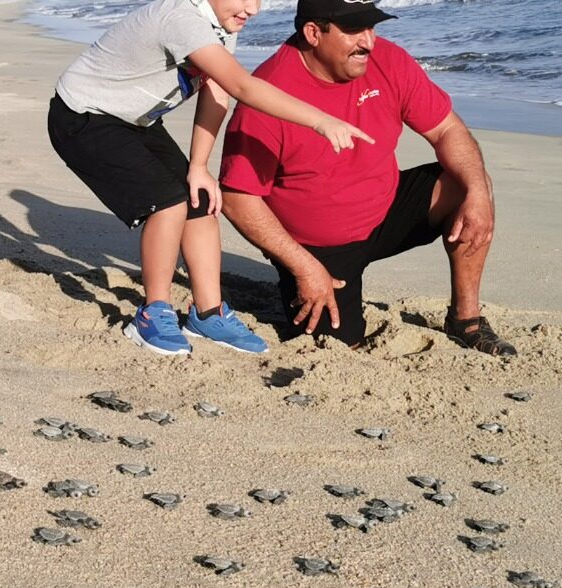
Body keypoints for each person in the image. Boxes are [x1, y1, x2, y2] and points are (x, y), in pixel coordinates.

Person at [48, 0, 372, 356]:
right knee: (169, 204)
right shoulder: (180, 18)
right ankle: (152, 313)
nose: (253, 9)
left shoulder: (221, 25)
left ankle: (208, 314)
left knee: (200, 201)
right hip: (83, 117)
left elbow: (216, 90)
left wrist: (199, 167)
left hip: (136, 121)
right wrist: (320, 120)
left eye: (259, 0)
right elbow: (241, 87)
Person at [218, 0, 516, 356]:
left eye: (371, 27)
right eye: (354, 30)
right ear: (313, 33)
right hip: (318, 249)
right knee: (337, 347)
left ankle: (465, 319)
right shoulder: (268, 93)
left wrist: (479, 193)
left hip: (385, 209)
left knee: (466, 184)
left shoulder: (387, 60)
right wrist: (303, 266)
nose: (368, 42)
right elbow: (238, 197)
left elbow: (447, 129)